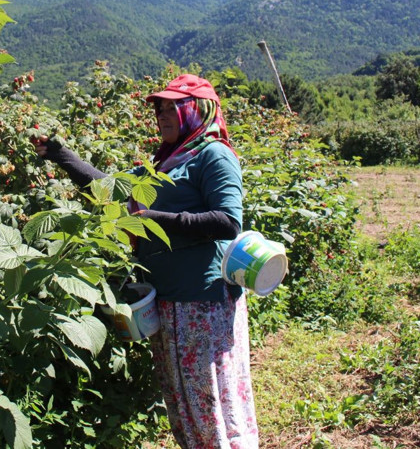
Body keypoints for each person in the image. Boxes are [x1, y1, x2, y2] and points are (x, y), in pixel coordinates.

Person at [33, 74, 258, 449]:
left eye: (173, 107)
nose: (163, 115)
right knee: (182, 400)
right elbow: (108, 189)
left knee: (209, 400)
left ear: (197, 110)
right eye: (160, 109)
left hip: (202, 301)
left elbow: (227, 221)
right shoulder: (163, 163)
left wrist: (155, 220)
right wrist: (60, 154)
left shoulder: (213, 155)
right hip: (166, 300)